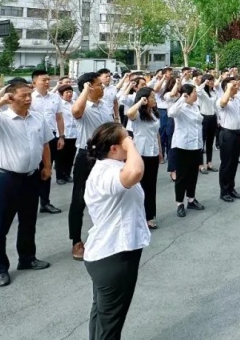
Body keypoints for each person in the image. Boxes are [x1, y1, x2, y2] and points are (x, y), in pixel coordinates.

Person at [0, 81, 53, 287]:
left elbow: (45, 143)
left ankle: (27, 258)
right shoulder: (0, 119)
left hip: (31, 177)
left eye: (30, 95)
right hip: (6, 179)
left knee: (28, 222)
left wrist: (47, 166)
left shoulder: (37, 118)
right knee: (0, 226)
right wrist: (0, 102)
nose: (28, 99)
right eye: (23, 95)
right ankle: (0, 268)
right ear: (10, 97)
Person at [83, 122, 150, 340]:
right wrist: (130, 144)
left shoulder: (111, 168)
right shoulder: (107, 172)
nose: (131, 141)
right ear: (114, 148)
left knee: (102, 317)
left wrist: (126, 143)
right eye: (126, 139)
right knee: (110, 325)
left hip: (109, 252)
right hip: (114, 255)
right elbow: (136, 171)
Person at [68, 72, 114, 262]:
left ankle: (104, 236)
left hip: (106, 157)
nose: (102, 87)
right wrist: (86, 90)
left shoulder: (104, 105)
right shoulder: (83, 106)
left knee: (107, 197)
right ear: (89, 86)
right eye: (99, 85)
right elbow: (76, 112)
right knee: (79, 199)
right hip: (87, 157)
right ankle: (76, 241)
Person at [125, 88, 162, 229]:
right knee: (138, 187)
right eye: (152, 97)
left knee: (151, 186)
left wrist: (160, 151)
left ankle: (150, 216)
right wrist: (140, 102)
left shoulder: (154, 113)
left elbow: (156, 133)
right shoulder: (138, 115)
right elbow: (129, 113)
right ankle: (137, 216)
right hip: (140, 154)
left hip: (153, 153)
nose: (155, 99)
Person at [167, 83, 206, 216]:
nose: (196, 94)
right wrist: (182, 99)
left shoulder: (195, 107)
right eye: (194, 92)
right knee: (182, 176)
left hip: (196, 145)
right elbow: (171, 113)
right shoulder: (180, 107)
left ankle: (191, 199)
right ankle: (180, 203)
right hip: (183, 146)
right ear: (187, 95)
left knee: (193, 175)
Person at [30, 69, 64, 215]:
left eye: (48, 79)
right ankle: (30, 203)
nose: (47, 82)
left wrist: (61, 136)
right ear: (34, 83)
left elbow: (59, 118)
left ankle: (45, 203)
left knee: (46, 170)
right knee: (32, 172)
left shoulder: (55, 98)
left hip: (50, 138)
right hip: (33, 138)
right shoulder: (29, 98)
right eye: (43, 80)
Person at [217, 77, 240, 202]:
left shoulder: (237, 99)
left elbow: (238, 118)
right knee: (226, 164)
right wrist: (229, 88)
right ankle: (224, 191)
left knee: (234, 163)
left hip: (236, 133)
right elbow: (223, 103)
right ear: (226, 88)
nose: (236, 87)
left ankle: (231, 188)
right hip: (227, 134)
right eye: (233, 85)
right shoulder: (221, 100)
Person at [56, 84, 78, 184]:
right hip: (63, 134)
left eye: (71, 92)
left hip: (74, 134)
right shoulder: (59, 104)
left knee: (71, 156)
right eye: (67, 92)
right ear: (61, 94)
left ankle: (68, 174)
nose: (69, 94)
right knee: (61, 157)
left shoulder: (75, 103)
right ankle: (60, 176)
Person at [197, 74, 219, 174]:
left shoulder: (213, 92)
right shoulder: (201, 92)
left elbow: (216, 107)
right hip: (204, 117)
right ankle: (200, 164)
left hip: (212, 117)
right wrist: (203, 83)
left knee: (210, 141)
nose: (212, 82)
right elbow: (197, 90)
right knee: (202, 141)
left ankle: (209, 162)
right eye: (210, 81)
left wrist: (218, 119)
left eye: (212, 80)